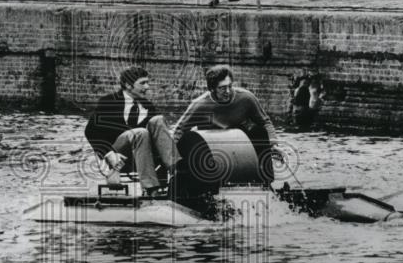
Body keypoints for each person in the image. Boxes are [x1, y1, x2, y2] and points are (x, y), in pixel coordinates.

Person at [173, 64, 280, 184]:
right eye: (222, 88)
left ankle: (265, 182)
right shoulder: (199, 105)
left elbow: (265, 122)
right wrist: (174, 158)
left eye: (230, 86)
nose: (227, 91)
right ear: (212, 89)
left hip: (240, 145)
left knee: (258, 131)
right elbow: (180, 130)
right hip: (213, 149)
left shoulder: (246, 98)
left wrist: (273, 144)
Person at [84, 66, 179, 197]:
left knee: (158, 120)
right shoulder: (109, 102)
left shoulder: (148, 106)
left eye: (147, 82)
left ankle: (177, 171)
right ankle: (152, 190)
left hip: (143, 156)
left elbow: (158, 138)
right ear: (128, 85)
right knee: (140, 132)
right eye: (142, 83)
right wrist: (109, 154)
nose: (147, 87)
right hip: (118, 155)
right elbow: (91, 131)